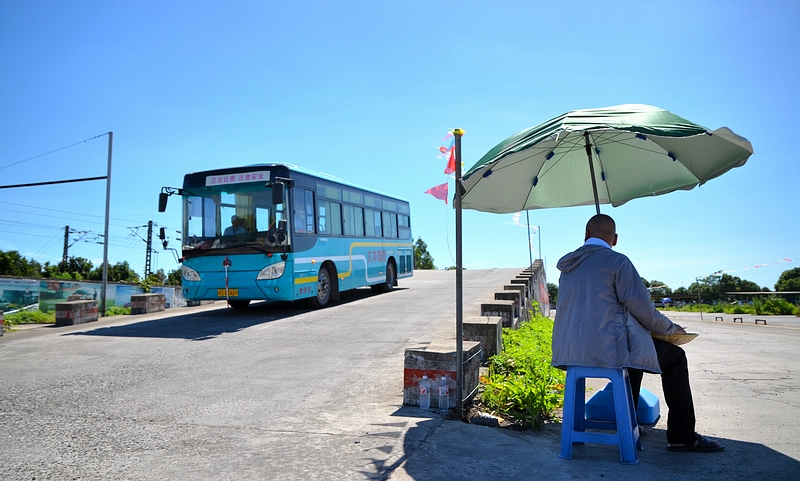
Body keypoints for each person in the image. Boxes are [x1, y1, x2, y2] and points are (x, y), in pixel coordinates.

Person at [552, 214, 723, 453]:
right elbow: (642, 308)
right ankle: (682, 436)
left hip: (569, 350)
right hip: (607, 350)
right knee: (674, 356)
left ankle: (629, 422)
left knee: (633, 354)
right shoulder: (617, 262)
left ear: (586, 235)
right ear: (616, 239)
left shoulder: (568, 267)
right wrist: (672, 329)